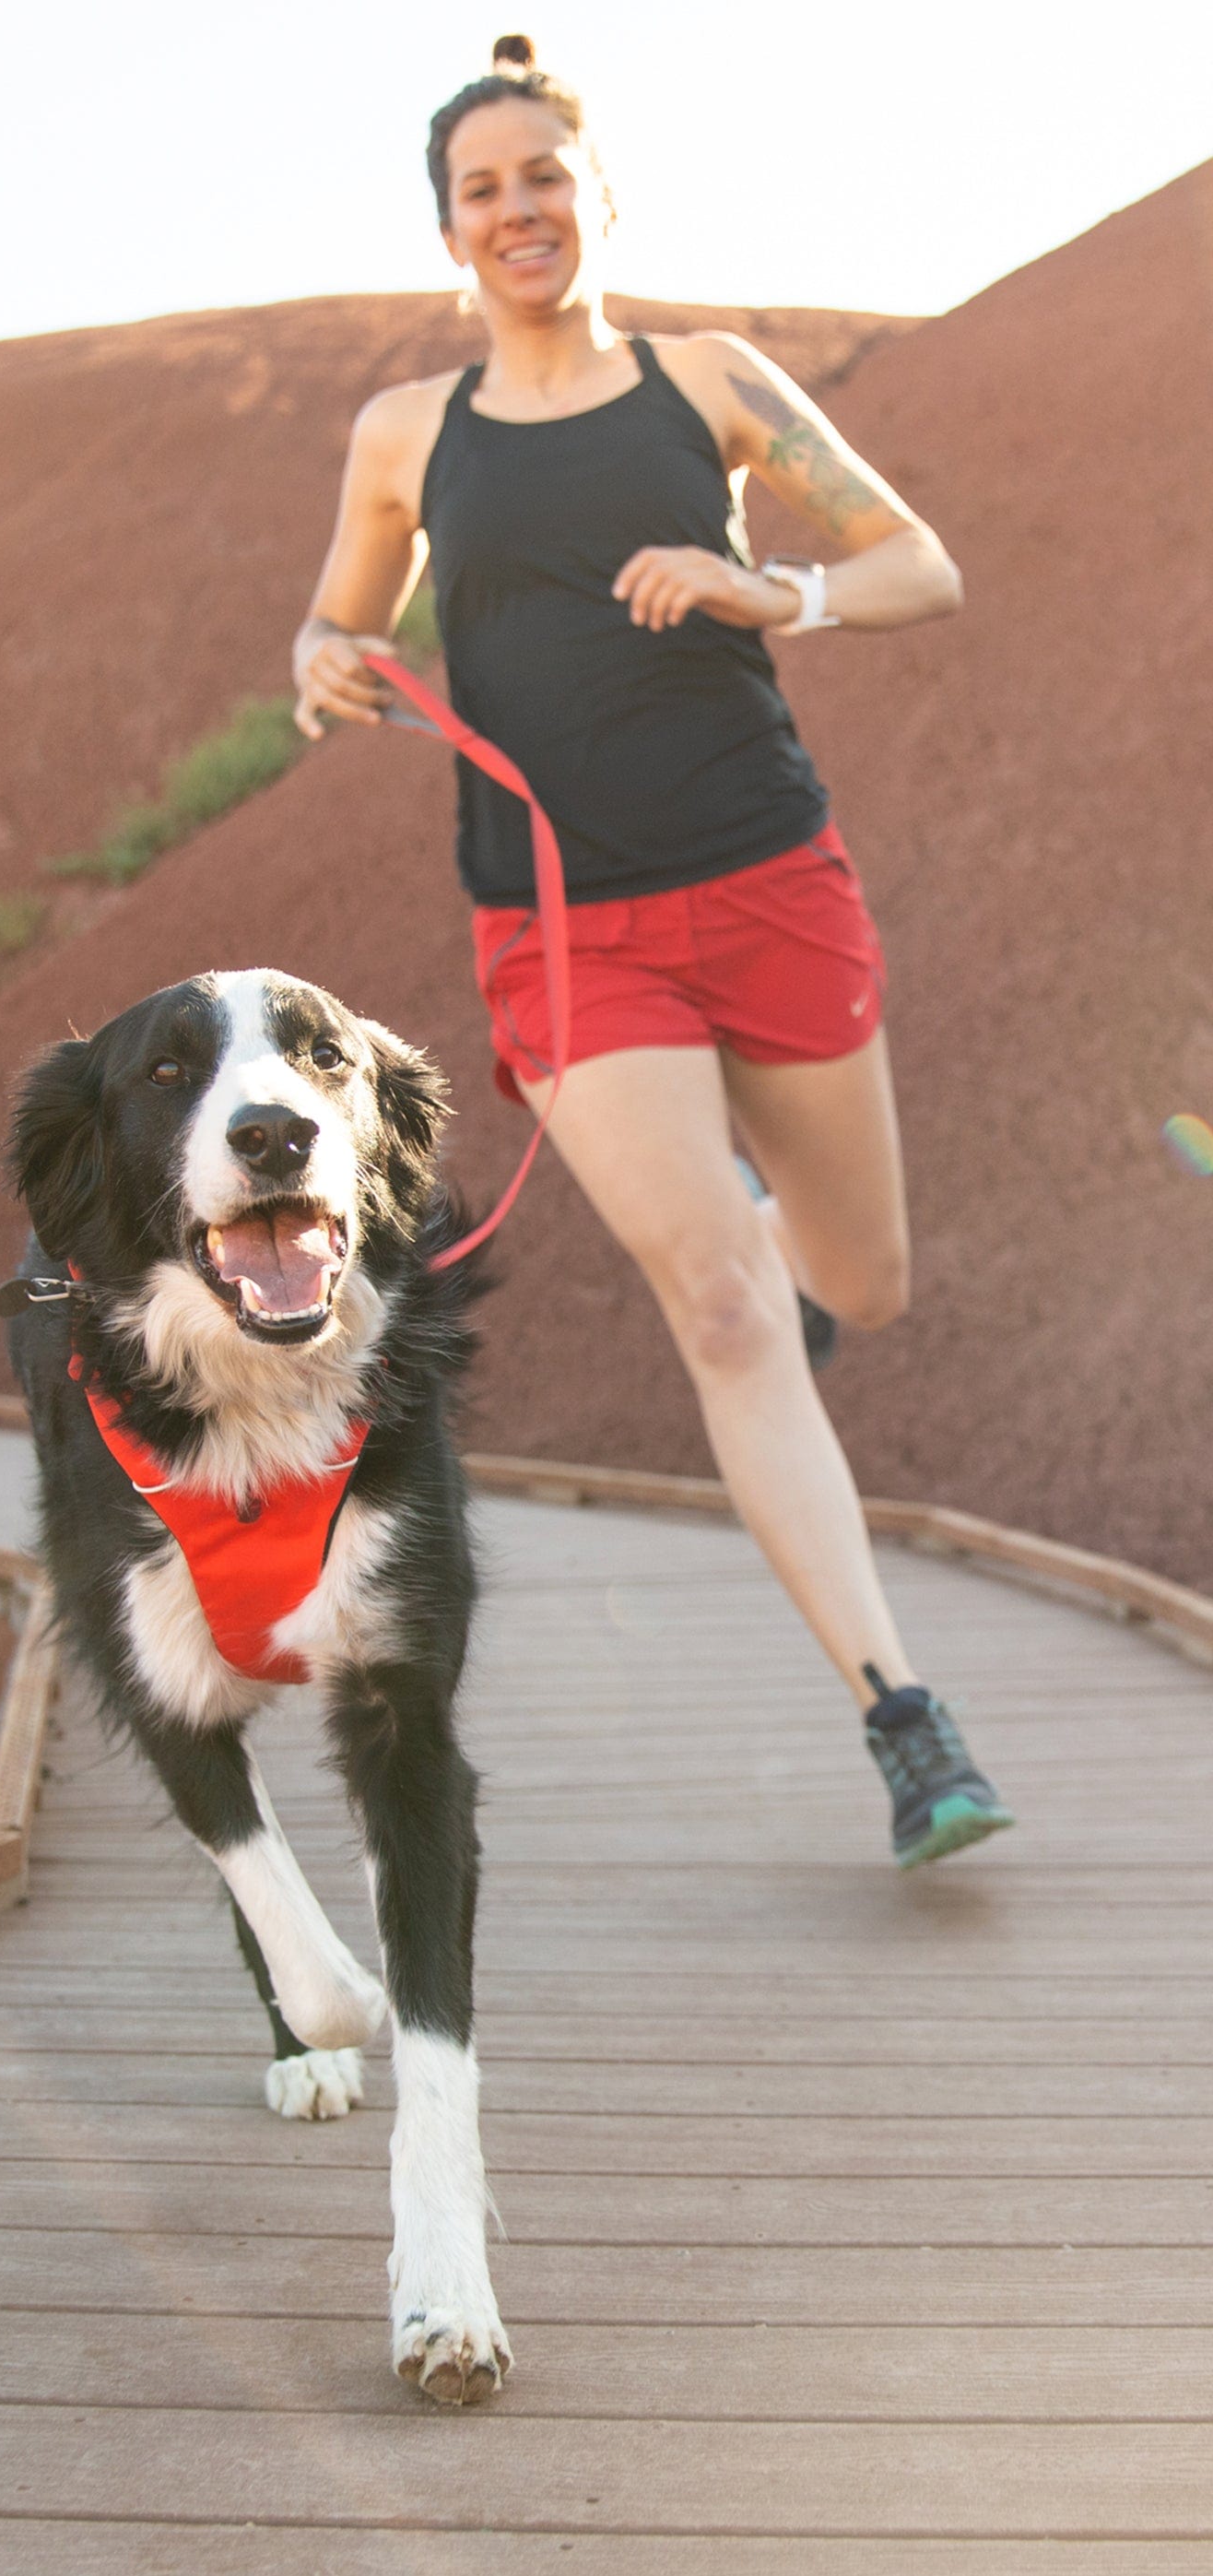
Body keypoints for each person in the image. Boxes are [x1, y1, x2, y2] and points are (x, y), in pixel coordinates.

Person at [292, 34, 1012, 1866]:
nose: (517, 209)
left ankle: (777, 1266)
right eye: (482, 188)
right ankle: (904, 1719)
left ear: (596, 196)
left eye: (545, 175)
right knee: (714, 1305)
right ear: (447, 231)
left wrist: (783, 590)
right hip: (564, 934)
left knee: (866, 1271)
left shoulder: (708, 383)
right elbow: (339, 622)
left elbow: (921, 562)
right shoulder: (404, 437)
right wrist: (324, 662)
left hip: (768, 881)